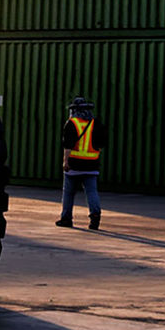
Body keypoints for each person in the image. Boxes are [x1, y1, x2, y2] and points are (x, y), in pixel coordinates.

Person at [55, 96, 106, 230]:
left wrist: (65, 161)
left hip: (74, 165)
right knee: (91, 192)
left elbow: (68, 145)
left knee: (68, 193)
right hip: (91, 165)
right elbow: (101, 143)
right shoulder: (97, 123)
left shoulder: (71, 123)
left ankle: (66, 218)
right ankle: (95, 217)